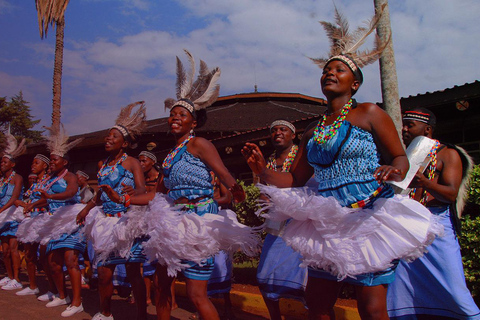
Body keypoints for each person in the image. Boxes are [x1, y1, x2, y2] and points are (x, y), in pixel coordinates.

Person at [242, 7, 442, 320]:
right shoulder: (312, 130)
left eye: (339, 70)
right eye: (326, 70)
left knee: (372, 309)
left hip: (367, 217)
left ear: (355, 84)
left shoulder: (369, 113)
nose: (330, 73)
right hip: (327, 223)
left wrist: (395, 169)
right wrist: (260, 169)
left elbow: (399, 157)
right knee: (318, 304)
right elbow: (294, 180)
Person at [101, 50, 257, 320]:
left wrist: (237, 192)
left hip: (199, 220)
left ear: (193, 122)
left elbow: (223, 172)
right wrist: (121, 199)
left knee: (197, 295)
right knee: (162, 286)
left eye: (181, 115)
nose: (174, 118)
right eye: (172, 114)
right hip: (173, 222)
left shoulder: (199, 144)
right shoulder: (171, 156)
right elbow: (155, 195)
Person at [387, 108, 480, 320]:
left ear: (427, 129)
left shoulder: (448, 154)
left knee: (453, 285)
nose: (404, 129)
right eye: (404, 124)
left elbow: (450, 194)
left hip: (438, 225)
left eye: (410, 125)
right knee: (402, 285)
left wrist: (425, 182)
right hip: (407, 225)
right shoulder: (406, 156)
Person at [76, 101, 148, 320]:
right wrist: (86, 209)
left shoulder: (132, 162)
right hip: (106, 222)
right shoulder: (103, 165)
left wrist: (132, 192)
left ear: (124, 143)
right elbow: (100, 194)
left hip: (128, 221)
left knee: (135, 273)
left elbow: (143, 190)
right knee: (104, 273)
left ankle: (141, 315)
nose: (108, 139)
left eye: (113, 136)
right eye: (107, 136)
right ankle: (105, 313)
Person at [31, 124, 85, 317]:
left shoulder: (70, 177)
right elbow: (45, 196)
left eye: (54, 160)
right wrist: (31, 205)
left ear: (64, 161)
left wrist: (51, 197)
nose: (52, 163)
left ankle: (77, 302)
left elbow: (71, 192)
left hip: (71, 220)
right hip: (54, 223)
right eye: (51, 160)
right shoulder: (50, 179)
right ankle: (63, 296)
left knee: (71, 260)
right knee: (53, 262)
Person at [255, 120, 307, 320]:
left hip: (301, 223)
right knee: (264, 275)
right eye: (274, 130)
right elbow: (263, 188)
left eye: (283, 129)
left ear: (293, 135)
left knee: (306, 278)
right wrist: (264, 198)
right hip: (276, 224)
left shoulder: (302, 157)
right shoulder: (268, 161)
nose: (277, 133)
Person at [15, 154, 54, 296]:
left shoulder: (49, 181)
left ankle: (53, 290)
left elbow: (48, 200)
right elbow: (29, 200)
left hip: (44, 219)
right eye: (32, 163)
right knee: (29, 255)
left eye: (36, 163)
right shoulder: (35, 183)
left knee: (44, 258)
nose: (33, 165)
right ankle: (32, 286)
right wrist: (23, 204)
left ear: (45, 166)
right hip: (31, 219)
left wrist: (32, 204)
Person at [0, 134, 25, 291]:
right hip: (2, 217)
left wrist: (1, 210)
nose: (1, 164)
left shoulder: (18, 178)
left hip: (13, 214)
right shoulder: (1, 180)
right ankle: (9, 276)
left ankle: (17, 278)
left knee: (14, 247)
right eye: (1, 161)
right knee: (5, 250)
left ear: (12, 164)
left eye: (5, 162)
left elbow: (15, 197)